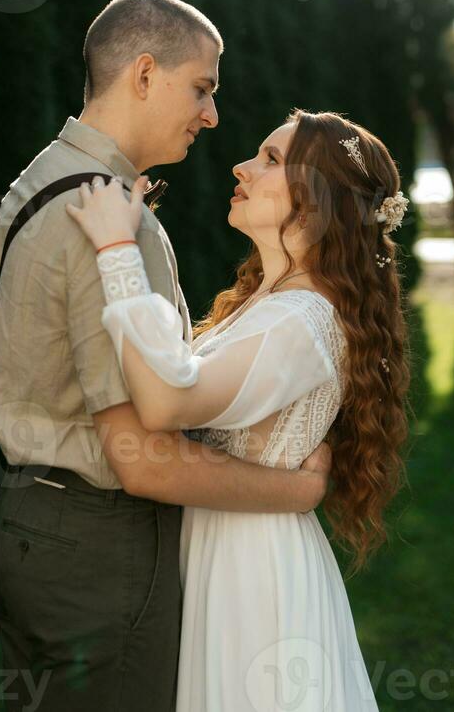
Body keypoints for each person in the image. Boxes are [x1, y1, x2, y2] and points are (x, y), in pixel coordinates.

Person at [0, 0, 333, 712]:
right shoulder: (110, 216)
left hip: (24, 524)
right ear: (144, 74)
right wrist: (296, 490)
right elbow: (141, 454)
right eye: (202, 88)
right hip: (99, 549)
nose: (213, 115)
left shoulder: (33, 183)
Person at [65, 108, 413, 711]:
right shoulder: (269, 301)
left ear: (318, 200)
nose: (242, 166)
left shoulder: (303, 320)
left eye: (271, 160)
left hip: (253, 572)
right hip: (222, 548)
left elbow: (168, 398)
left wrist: (119, 250)